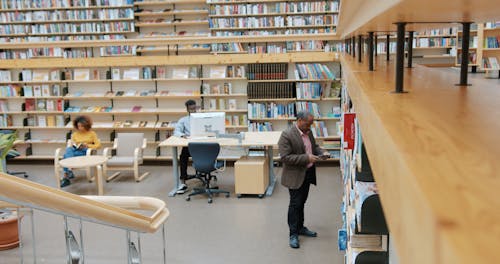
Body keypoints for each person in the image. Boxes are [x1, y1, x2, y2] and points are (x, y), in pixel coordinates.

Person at [278, 111, 331, 249]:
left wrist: (322, 152)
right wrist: (307, 158)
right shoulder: (287, 135)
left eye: (311, 124)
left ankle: (300, 227)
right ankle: (293, 234)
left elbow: (314, 147)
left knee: (302, 202)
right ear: (300, 121)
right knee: (295, 204)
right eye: (308, 124)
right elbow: (285, 158)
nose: (310, 127)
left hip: (308, 173)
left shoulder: (308, 132)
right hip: (295, 176)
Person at [60, 115, 101, 188]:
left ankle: (67, 175)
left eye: (82, 126)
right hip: (76, 150)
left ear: (86, 125)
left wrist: (87, 145)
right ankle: (69, 171)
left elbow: (98, 145)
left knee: (65, 156)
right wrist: (76, 145)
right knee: (69, 149)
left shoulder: (92, 133)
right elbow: (73, 144)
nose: (80, 128)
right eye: (78, 126)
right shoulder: (75, 134)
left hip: (85, 151)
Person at [173, 99, 198, 194]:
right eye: (191, 109)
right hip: (190, 145)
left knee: (204, 155)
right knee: (183, 156)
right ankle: (183, 181)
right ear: (187, 109)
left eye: (195, 108)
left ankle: (203, 175)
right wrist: (182, 135)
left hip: (202, 144)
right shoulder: (183, 120)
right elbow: (176, 131)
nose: (194, 110)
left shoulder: (202, 118)